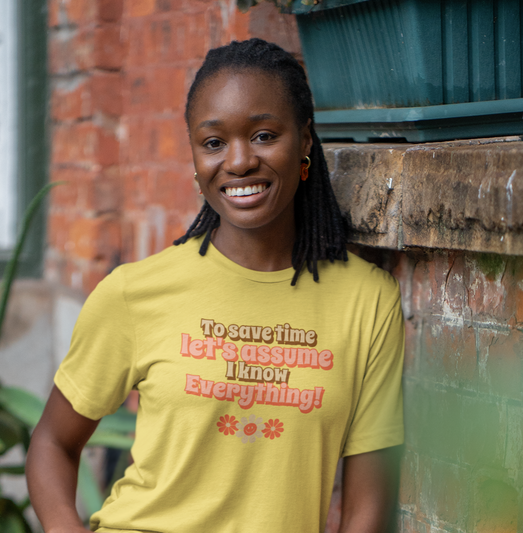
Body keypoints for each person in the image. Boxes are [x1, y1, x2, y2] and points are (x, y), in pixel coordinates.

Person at [26, 38, 404, 533]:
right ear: (195, 156)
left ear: (306, 141)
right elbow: (52, 443)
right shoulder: (135, 293)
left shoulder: (367, 302)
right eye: (213, 143)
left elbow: (367, 510)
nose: (240, 161)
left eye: (265, 135)